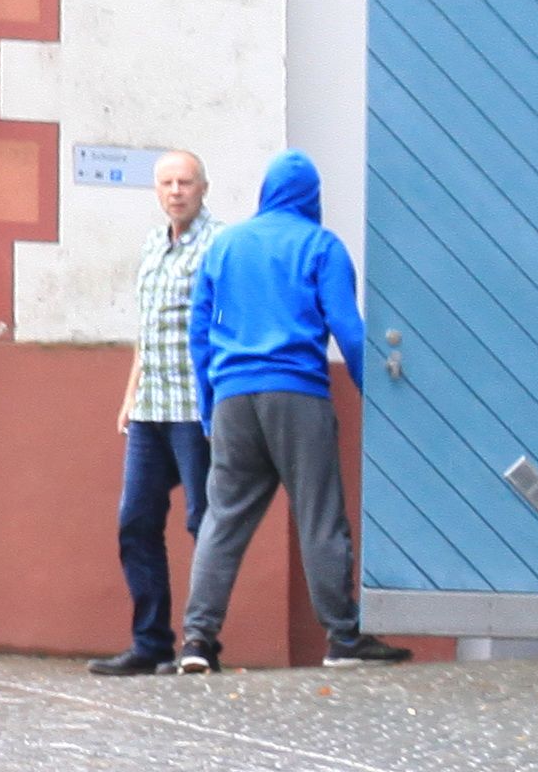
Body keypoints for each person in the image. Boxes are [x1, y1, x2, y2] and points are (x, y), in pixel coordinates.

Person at [174, 150, 409, 671]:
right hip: (297, 396)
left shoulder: (225, 246)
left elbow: (199, 335)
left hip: (234, 398)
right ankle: (344, 639)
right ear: (312, 198)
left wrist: (209, 407)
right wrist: (378, 396)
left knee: (223, 520)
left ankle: (197, 640)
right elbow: (348, 329)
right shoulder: (321, 246)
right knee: (320, 519)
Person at [88, 149, 211, 676]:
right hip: (150, 409)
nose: (176, 191)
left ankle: (202, 644)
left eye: (185, 182)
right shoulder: (150, 247)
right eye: (166, 183)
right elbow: (148, 329)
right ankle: (151, 642)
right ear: (156, 191)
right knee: (135, 522)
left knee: (204, 524)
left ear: (203, 187)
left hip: (196, 408)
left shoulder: (219, 244)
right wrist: (129, 395)